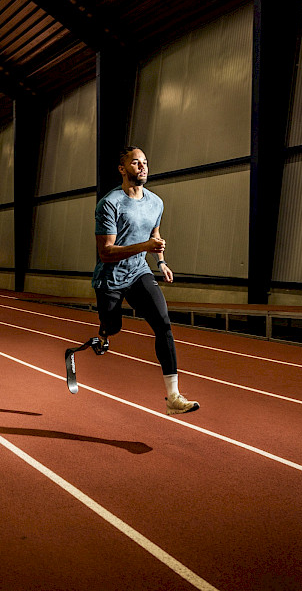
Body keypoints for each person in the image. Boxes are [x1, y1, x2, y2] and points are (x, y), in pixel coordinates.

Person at [91, 146, 199, 415]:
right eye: (136, 163)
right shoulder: (109, 203)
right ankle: (104, 333)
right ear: (122, 169)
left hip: (139, 272)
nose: (142, 167)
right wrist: (146, 247)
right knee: (113, 326)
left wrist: (161, 262)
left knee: (163, 324)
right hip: (111, 277)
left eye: (145, 163)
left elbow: (155, 237)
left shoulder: (156, 202)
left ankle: (173, 397)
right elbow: (105, 253)